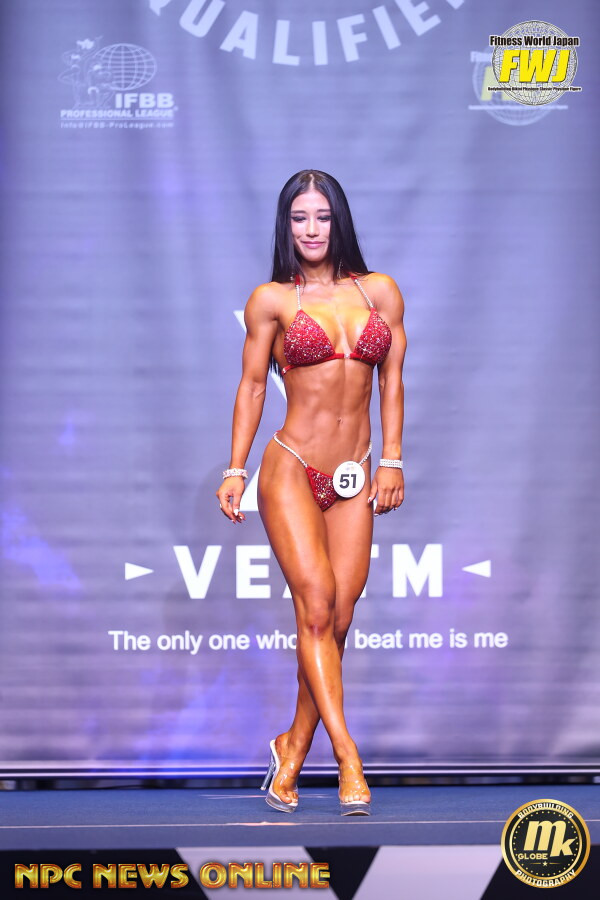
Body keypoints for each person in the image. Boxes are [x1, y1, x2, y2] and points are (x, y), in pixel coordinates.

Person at [216, 169, 406, 816]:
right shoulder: (272, 299)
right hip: (292, 466)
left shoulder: (379, 291)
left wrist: (392, 460)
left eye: (322, 216)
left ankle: (292, 745)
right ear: (286, 226)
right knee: (317, 610)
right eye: (299, 218)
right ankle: (348, 757)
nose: (312, 229)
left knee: (338, 619)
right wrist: (235, 469)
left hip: (355, 474)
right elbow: (251, 386)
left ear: (338, 220)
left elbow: (392, 382)